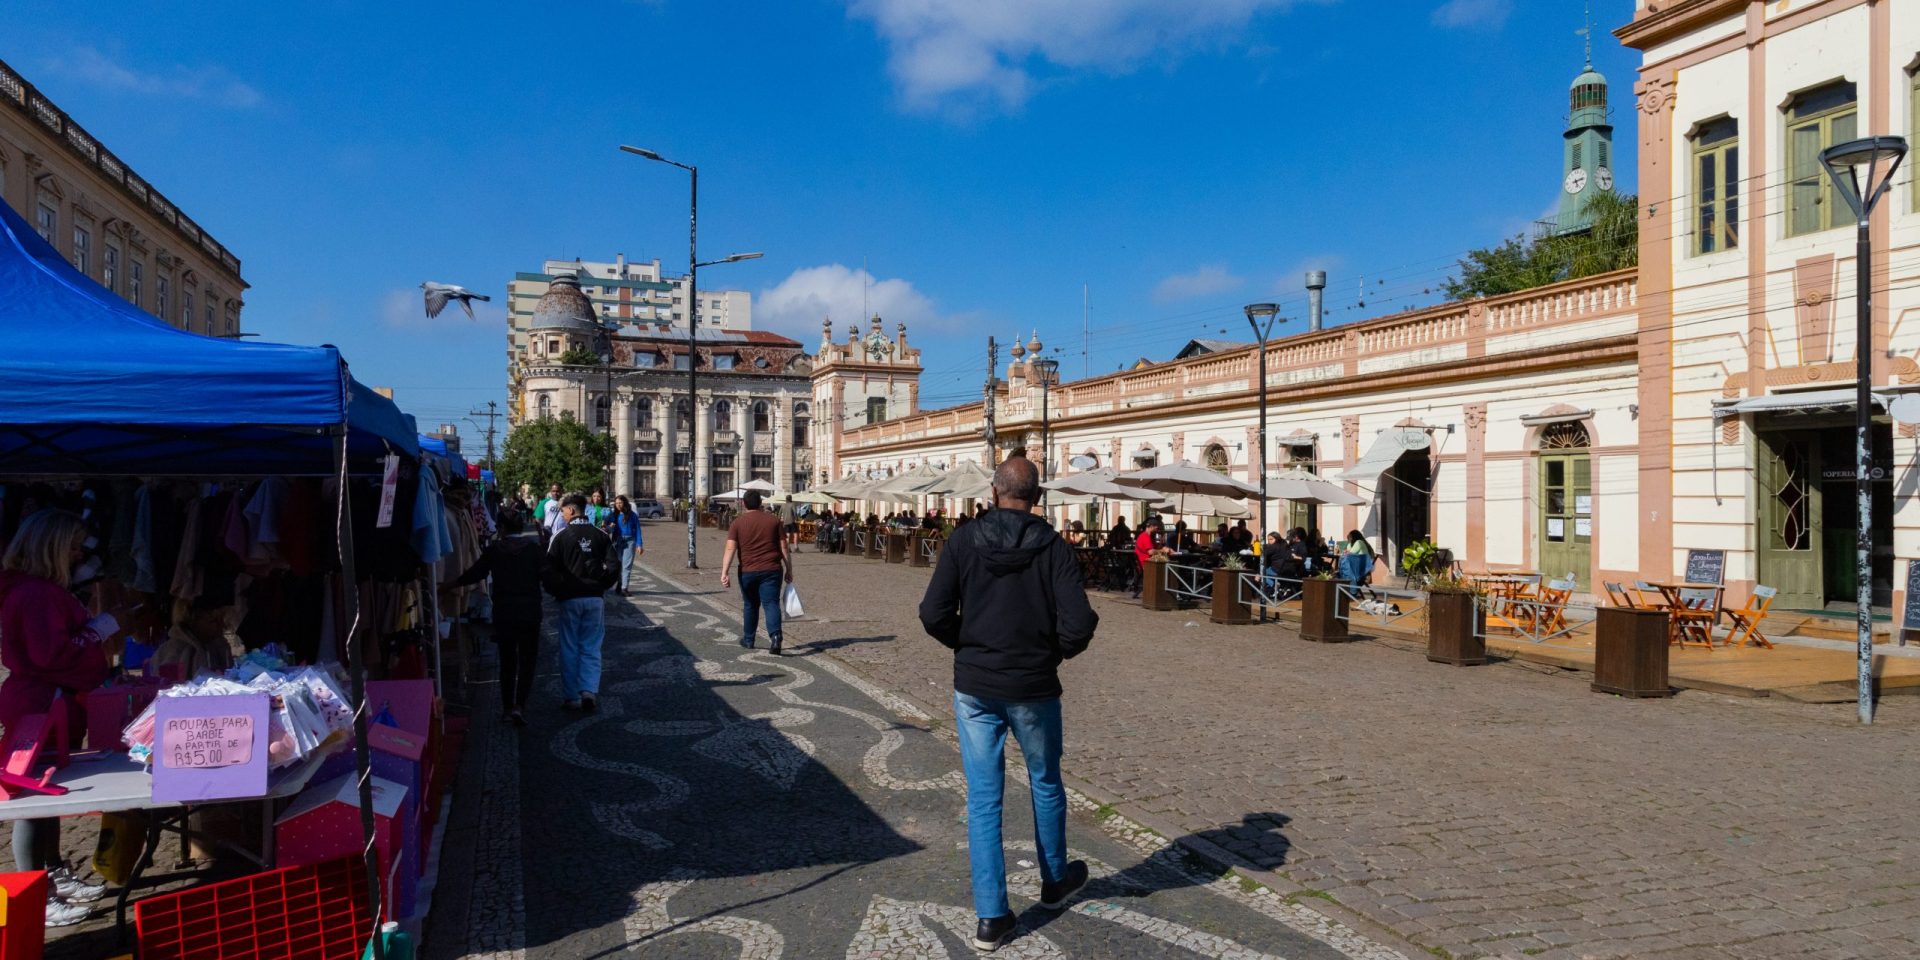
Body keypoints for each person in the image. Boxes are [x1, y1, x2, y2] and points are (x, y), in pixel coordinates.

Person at [918, 457, 1096, 952]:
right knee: (1045, 781)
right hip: (1034, 686)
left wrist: (967, 645)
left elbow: (932, 612)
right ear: (1036, 497)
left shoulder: (963, 541)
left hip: (975, 686)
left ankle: (992, 917)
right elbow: (1079, 624)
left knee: (983, 798)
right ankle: (1055, 879)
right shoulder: (1054, 548)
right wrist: (1051, 653)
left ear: (994, 491)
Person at [0, 509, 128, 926]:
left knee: (49, 791)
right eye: (72, 546)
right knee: (36, 796)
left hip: (47, 701)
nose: (78, 555)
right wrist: (104, 626)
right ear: (52, 547)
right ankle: (35, 891)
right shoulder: (36, 594)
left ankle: (50, 872)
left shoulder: (36, 590)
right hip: (42, 703)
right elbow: (52, 654)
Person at [456, 510, 547, 725]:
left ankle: (507, 707)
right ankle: (519, 706)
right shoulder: (533, 550)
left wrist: (450, 584)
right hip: (530, 611)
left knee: (507, 661)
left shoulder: (495, 550)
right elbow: (548, 576)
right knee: (528, 660)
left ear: (502, 528)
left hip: (505, 612)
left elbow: (475, 573)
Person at [542, 495, 617, 712]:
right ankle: (588, 690)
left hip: (570, 599)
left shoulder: (560, 536)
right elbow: (613, 567)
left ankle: (571, 695)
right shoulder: (601, 535)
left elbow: (548, 570)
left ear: (572, 511)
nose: (562, 515)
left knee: (569, 646)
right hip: (594, 598)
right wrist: (601, 585)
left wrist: (557, 591)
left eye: (562, 511)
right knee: (592, 646)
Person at [721, 490, 793, 654]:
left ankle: (749, 640)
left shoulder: (737, 523)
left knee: (750, 605)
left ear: (744, 504)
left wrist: (724, 572)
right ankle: (775, 637)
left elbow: (731, 548)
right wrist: (789, 569)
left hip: (748, 571)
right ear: (760, 503)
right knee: (771, 603)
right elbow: (783, 547)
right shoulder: (774, 521)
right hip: (772, 569)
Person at [607, 495, 644, 596]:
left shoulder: (632, 515)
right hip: (617, 541)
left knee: (627, 565)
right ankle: (619, 584)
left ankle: (624, 588)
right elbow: (605, 524)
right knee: (618, 565)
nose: (618, 505)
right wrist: (608, 526)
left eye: (620, 503)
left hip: (629, 541)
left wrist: (639, 544)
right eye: (617, 503)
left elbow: (638, 530)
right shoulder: (613, 515)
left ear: (625, 503)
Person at [1131, 515, 1161, 598]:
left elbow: (1154, 548)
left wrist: (1161, 546)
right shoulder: (1145, 536)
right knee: (1168, 568)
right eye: (1156, 528)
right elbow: (1151, 552)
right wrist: (1162, 551)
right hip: (1146, 564)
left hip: (1146, 562)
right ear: (1151, 527)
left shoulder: (1148, 537)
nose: (1157, 530)